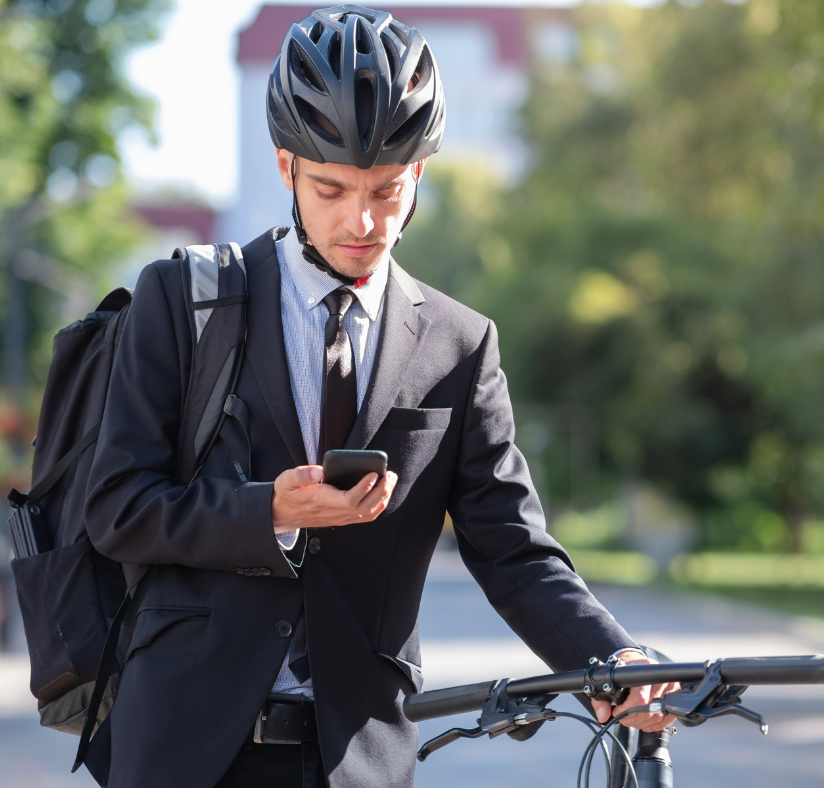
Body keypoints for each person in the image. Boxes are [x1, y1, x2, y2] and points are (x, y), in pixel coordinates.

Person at [83, 6, 677, 788]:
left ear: (419, 176)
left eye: (387, 191)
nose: (361, 221)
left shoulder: (461, 346)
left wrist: (614, 656)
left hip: (358, 757)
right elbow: (118, 508)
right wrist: (268, 511)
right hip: (185, 751)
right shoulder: (183, 300)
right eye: (331, 188)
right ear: (287, 165)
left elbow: (514, 552)